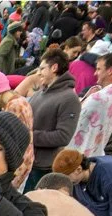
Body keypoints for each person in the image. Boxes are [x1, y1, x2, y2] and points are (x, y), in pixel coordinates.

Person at [27, 49, 80, 188]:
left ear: (54, 68)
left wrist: (30, 136)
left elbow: (63, 136)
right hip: (28, 161)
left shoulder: (70, 99)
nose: (38, 73)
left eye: (42, 68)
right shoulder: (40, 93)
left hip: (43, 167)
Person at [70, 51, 112, 158]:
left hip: (76, 153)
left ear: (110, 70)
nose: (95, 73)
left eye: (99, 69)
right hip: (95, 152)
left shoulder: (99, 98)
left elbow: (73, 120)